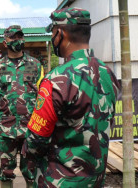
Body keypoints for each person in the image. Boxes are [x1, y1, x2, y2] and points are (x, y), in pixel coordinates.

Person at [24, 7, 120, 187]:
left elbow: (35, 140)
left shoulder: (56, 80)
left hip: (60, 180)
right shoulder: (109, 75)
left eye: (52, 33)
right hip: (95, 180)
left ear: (60, 34)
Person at [0, 25, 44, 188]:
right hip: (6, 128)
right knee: (6, 171)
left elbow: (43, 95)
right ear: (5, 43)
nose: (17, 40)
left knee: (32, 170)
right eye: (13, 38)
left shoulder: (36, 65)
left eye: (20, 37)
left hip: (31, 127)